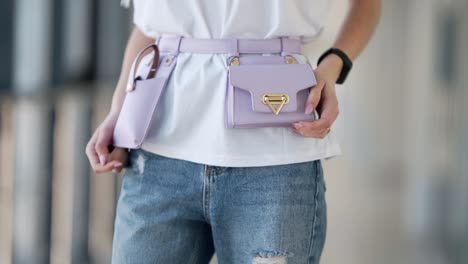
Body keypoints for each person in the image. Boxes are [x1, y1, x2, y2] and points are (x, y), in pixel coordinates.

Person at [85, 0, 380, 263]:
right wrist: (119, 112)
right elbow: (151, 29)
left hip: (273, 160)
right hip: (156, 156)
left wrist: (333, 63)